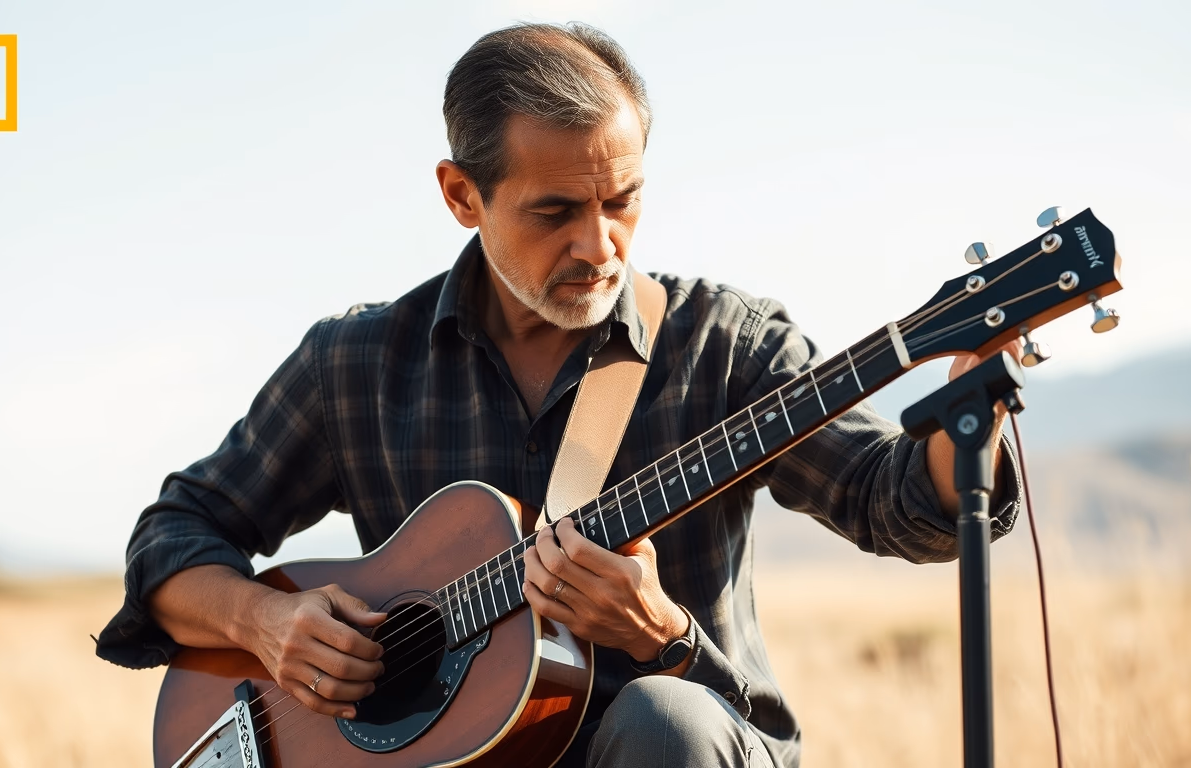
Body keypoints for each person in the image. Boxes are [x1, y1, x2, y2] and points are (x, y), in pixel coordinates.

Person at [96, 21, 1022, 768]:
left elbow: (907, 508)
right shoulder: (357, 365)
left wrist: (969, 390)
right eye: (556, 212)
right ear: (463, 195)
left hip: (683, 747)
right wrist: (268, 622)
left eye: (621, 200)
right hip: (449, 760)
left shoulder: (722, 344)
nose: (599, 245)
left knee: (666, 722)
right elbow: (173, 539)